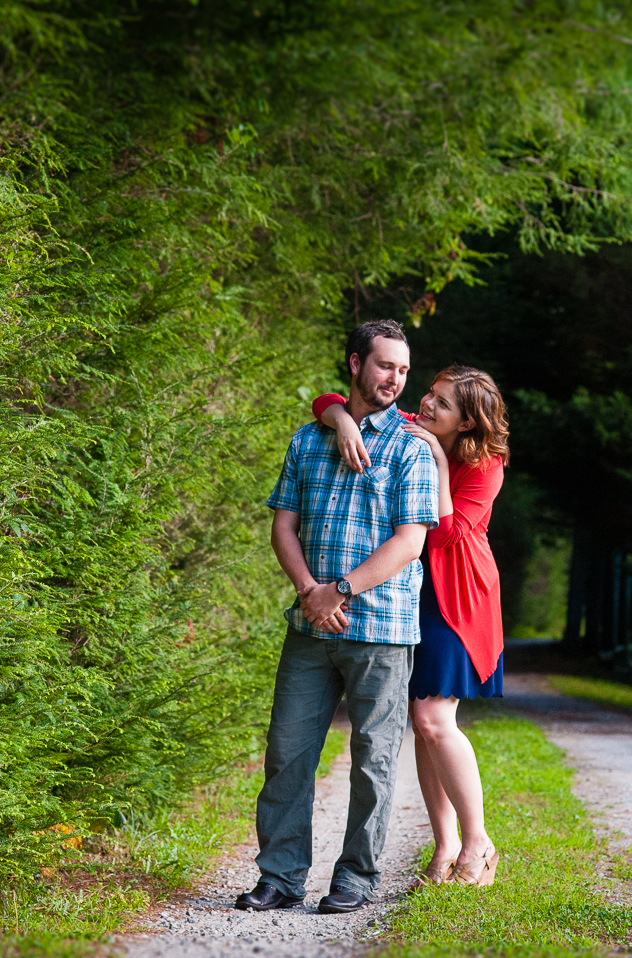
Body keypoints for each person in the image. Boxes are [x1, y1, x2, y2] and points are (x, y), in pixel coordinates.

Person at [238, 320, 439, 915]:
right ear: (355, 364)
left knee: (374, 761)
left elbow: (410, 542)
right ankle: (279, 876)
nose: (395, 380)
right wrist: (309, 593)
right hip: (309, 629)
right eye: (384, 367)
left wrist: (340, 591)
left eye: (403, 371)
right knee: (287, 754)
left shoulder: (410, 446)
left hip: (382, 628)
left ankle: (355, 878)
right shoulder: (308, 440)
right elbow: (283, 525)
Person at [311, 364, 508, 888]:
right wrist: (344, 422)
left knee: (431, 718)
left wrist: (439, 461)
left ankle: (479, 842)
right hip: (410, 596)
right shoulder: (404, 422)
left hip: (458, 599)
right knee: (422, 729)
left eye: (443, 404)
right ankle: (445, 848)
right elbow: (327, 400)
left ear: (466, 423)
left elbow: (443, 537)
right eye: (431, 393)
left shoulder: (487, 465)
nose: (426, 404)